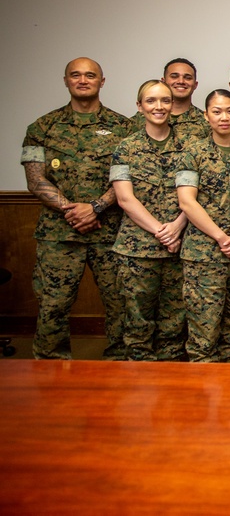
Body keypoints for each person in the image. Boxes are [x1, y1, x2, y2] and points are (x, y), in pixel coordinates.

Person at [21, 57, 130, 359]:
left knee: (121, 303)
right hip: (59, 233)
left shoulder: (124, 127)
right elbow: (35, 179)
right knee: (53, 304)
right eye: (76, 75)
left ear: (102, 81)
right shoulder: (41, 127)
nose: (83, 80)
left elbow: (130, 176)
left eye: (90, 75)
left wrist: (95, 208)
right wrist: (74, 210)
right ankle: (50, 366)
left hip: (110, 233)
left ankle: (119, 365)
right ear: (66, 80)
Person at [176, 90, 230, 362]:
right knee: (204, 329)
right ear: (206, 116)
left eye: (229, 110)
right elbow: (187, 202)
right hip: (204, 255)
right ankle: (202, 398)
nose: (224, 117)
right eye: (216, 111)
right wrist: (221, 237)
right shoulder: (192, 153)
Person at [110, 80, 188, 361]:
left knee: (174, 323)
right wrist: (161, 231)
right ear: (139, 106)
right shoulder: (125, 148)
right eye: (151, 101)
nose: (159, 107)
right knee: (137, 323)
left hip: (179, 246)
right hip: (137, 250)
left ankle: (170, 386)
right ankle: (139, 389)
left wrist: (177, 227)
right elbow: (124, 199)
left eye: (165, 101)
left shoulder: (189, 146)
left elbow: (197, 195)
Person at [133, 58, 209, 144]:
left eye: (187, 78)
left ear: (195, 85)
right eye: (174, 76)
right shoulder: (136, 121)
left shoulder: (207, 122)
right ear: (163, 81)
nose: (181, 81)